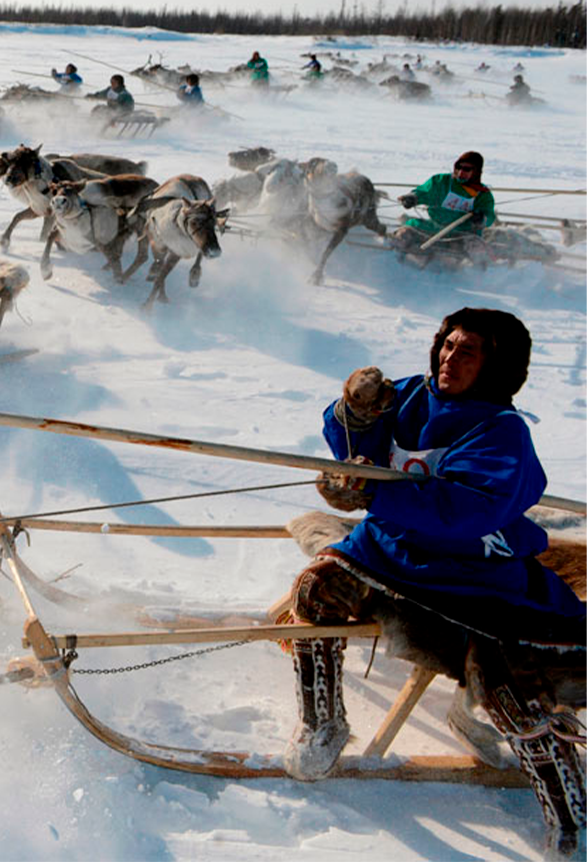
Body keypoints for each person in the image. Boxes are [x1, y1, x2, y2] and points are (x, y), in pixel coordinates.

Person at [283, 308, 587, 853]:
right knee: (317, 589)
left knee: (512, 687)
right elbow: (361, 443)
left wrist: (374, 493)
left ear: (496, 365)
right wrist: (353, 412)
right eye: (447, 344)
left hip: (470, 576)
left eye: (467, 351)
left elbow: (462, 511)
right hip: (389, 551)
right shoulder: (414, 396)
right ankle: (322, 723)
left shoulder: (502, 434)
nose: (450, 357)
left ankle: (573, 822)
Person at [393, 151, 496, 255]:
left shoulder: (482, 194)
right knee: (403, 234)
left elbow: (489, 216)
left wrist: (481, 219)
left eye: (467, 169)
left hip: (462, 234)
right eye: (459, 167)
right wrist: (413, 197)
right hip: (433, 227)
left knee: (473, 250)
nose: (461, 172)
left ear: (476, 171)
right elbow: (424, 192)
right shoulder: (442, 181)